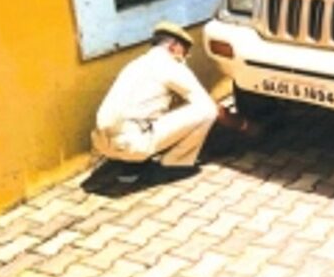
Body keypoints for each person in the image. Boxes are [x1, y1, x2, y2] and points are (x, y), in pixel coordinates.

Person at [91, 21, 257, 182]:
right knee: (207, 111)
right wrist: (244, 126)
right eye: (184, 52)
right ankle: (173, 165)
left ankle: (130, 166)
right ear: (173, 46)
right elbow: (210, 107)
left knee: (144, 117)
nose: (185, 57)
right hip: (132, 144)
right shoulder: (170, 65)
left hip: (102, 143)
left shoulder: (135, 64)